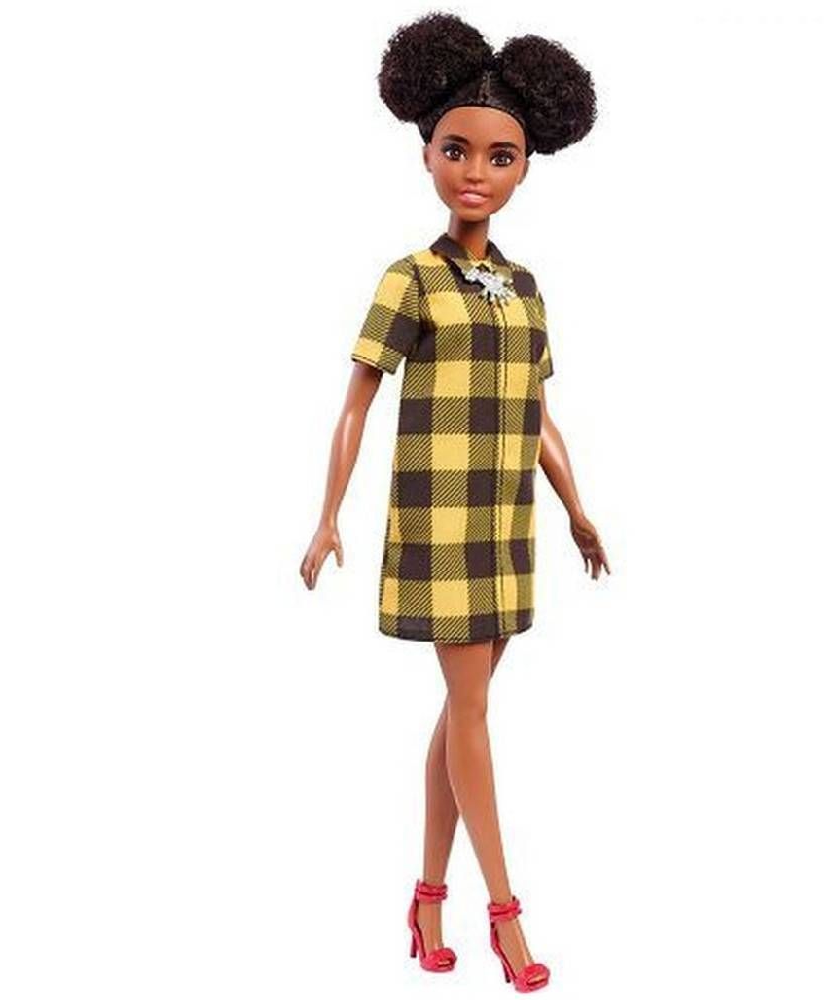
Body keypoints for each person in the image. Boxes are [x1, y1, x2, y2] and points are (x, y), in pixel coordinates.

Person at [300, 12, 610, 992]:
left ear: (525, 167)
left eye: (499, 156)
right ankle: (505, 915)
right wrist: (327, 514)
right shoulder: (411, 279)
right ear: (427, 153)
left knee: (462, 708)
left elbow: (538, 411)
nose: (475, 171)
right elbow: (357, 399)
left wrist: (577, 509)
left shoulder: (523, 287)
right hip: (439, 521)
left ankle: (426, 898)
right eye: (456, 150)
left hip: (505, 521)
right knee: (472, 712)